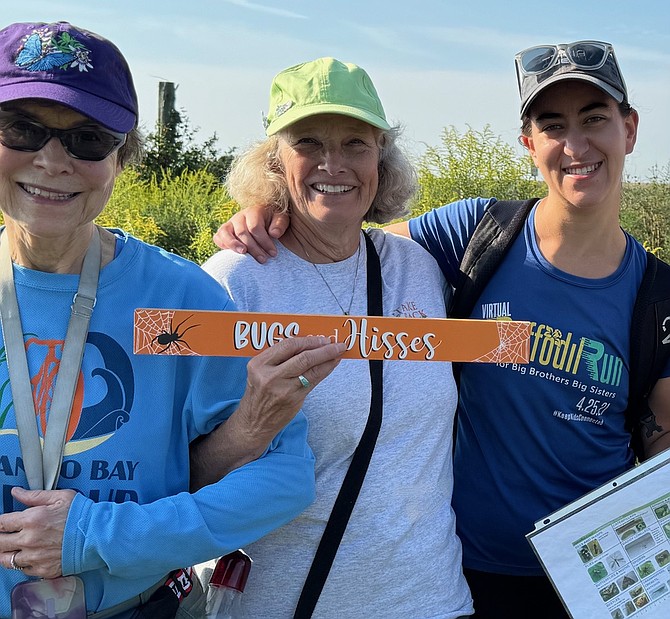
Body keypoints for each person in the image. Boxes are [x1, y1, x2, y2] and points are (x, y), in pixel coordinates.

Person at [210, 41, 670, 617]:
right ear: (529, 144)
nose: (575, 145)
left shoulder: (658, 295)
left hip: (590, 579)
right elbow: (342, 234)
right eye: (552, 125)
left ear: (629, 129)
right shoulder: (473, 234)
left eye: (595, 119)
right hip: (465, 572)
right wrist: (261, 216)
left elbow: (661, 444)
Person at [0, 21, 346, 618]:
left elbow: (283, 474)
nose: (52, 160)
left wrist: (102, 535)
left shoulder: (181, 298)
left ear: (121, 159)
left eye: (88, 139)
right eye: (21, 130)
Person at [193, 57, 473, 618]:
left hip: (431, 599)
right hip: (284, 602)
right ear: (275, 160)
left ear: (381, 158)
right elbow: (179, 475)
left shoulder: (415, 267)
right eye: (308, 143)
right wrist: (252, 423)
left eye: (355, 143)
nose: (333, 163)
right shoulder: (231, 281)